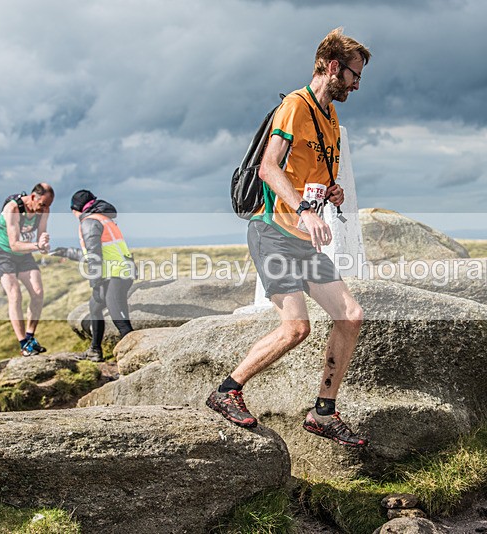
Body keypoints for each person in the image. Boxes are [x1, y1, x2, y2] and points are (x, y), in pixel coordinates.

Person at [206, 28, 371, 447]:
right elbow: (269, 168)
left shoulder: (331, 118)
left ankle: (323, 413)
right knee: (296, 327)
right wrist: (301, 209)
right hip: (273, 231)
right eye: (354, 75)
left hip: (302, 240)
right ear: (333, 67)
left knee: (350, 316)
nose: (356, 84)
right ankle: (227, 391)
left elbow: (315, 176)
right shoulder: (294, 107)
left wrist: (331, 192)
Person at [51, 190, 135, 362]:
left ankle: (134, 360)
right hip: (118, 272)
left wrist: (95, 284)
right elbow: (93, 253)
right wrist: (67, 252)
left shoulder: (89, 222)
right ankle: (94, 351)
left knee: (121, 321)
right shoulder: (102, 218)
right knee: (95, 308)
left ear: (76, 209)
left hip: (116, 274)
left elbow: (94, 255)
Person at [0, 183, 53, 356]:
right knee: (15, 294)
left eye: (48, 206)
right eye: (42, 205)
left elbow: (41, 234)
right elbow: (14, 245)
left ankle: (30, 336)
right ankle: (23, 344)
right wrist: (37, 245)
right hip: (3, 253)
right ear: (33, 197)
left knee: (38, 292)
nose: (44, 209)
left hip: (24, 253)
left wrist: (44, 244)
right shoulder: (12, 209)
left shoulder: (44, 211)